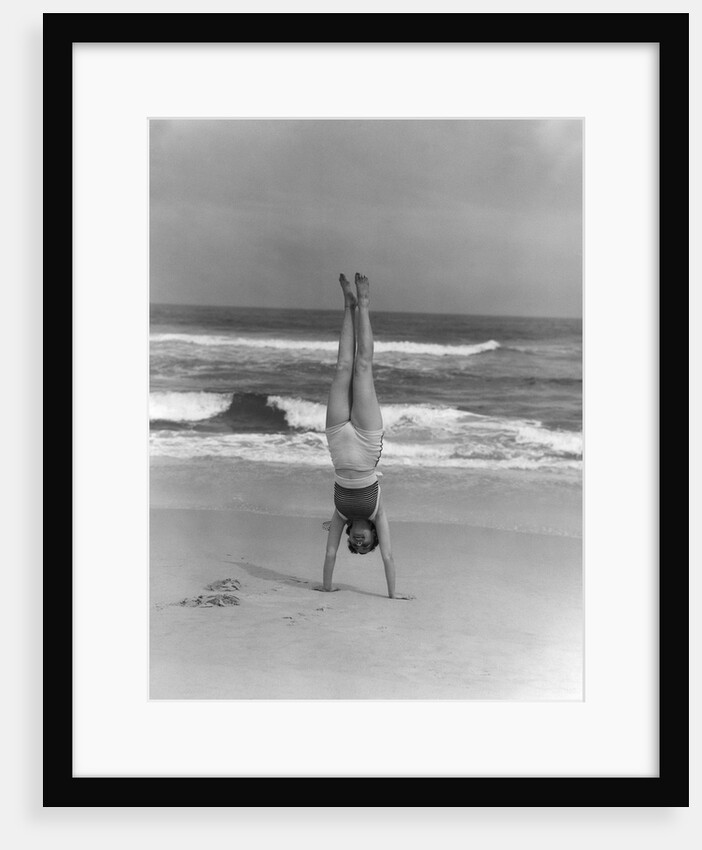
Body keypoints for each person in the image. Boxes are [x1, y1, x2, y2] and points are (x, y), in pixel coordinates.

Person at [315, 273, 412, 600]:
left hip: (338, 439)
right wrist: (393, 595)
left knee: (342, 367)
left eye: (355, 546)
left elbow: (330, 555)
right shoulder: (377, 512)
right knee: (363, 368)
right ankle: (365, 303)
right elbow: (388, 557)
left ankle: (347, 303)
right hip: (368, 441)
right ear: (373, 534)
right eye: (366, 543)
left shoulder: (340, 515)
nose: (359, 543)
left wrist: (326, 589)